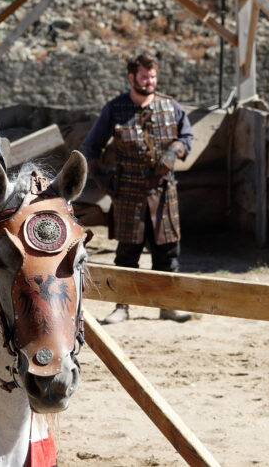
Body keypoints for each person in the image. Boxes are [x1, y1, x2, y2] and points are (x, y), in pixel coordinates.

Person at [81, 53, 194, 325]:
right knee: (127, 254)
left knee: (167, 253)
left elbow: (187, 136)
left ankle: (168, 305)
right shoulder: (115, 108)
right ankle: (122, 306)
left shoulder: (171, 106)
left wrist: (174, 151)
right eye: (144, 76)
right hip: (128, 194)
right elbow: (91, 147)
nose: (149, 81)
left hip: (164, 193)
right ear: (132, 77)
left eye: (153, 76)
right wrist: (105, 182)